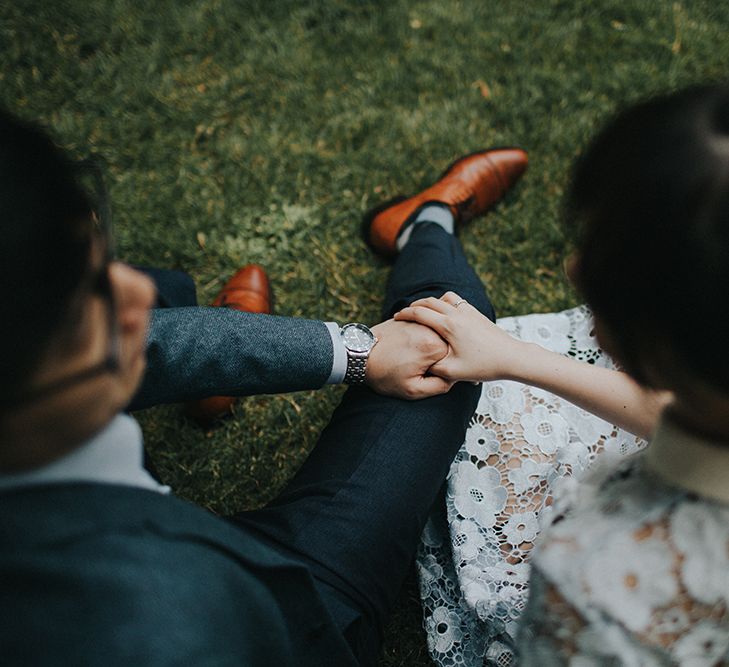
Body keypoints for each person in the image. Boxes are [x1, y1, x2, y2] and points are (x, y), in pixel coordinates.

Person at [0, 106, 528, 666]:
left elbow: (157, 341)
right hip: (274, 599)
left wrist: (355, 351)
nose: (130, 291)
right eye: (84, 307)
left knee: (167, 294)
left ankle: (207, 383)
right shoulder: (164, 636)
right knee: (450, 343)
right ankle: (427, 220)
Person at [397, 84, 729, 665]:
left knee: (453, 377)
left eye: (597, 257)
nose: (574, 268)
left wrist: (509, 360)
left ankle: (426, 225)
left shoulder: (593, 588)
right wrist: (512, 356)